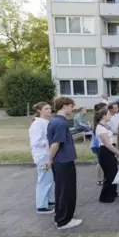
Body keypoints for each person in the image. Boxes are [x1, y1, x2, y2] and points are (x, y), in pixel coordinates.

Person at [46, 96, 82, 230]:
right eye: (71, 106)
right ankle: (64, 221)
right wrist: (49, 160)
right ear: (65, 106)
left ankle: (60, 217)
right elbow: (56, 143)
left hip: (60, 161)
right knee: (67, 191)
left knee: (61, 190)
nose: (73, 109)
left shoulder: (55, 121)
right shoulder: (61, 123)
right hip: (64, 162)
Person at [29, 102, 55, 214]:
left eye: (50, 108)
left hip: (47, 154)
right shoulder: (37, 124)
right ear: (39, 110)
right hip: (42, 156)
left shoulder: (45, 122)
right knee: (44, 180)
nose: (49, 110)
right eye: (46, 109)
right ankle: (41, 206)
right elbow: (36, 142)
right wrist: (51, 141)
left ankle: (48, 201)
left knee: (48, 179)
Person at [94, 109, 119, 203]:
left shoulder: (106, 125)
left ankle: (113, 192)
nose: (110, 116)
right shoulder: (100, 128)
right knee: (110, 174)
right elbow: (107, 143)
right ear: (103, 116)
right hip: (105, 151)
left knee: (114, 172)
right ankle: (105, 196)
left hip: (110, 150)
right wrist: (117, 152)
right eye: (108, 114)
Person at [91, 103, 107, 185]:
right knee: (100, 162)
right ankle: (100, 179)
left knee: (100, 161)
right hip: (97, 144)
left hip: (96, 143)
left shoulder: (96, 118)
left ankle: (101, 178)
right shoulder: (98, 120)